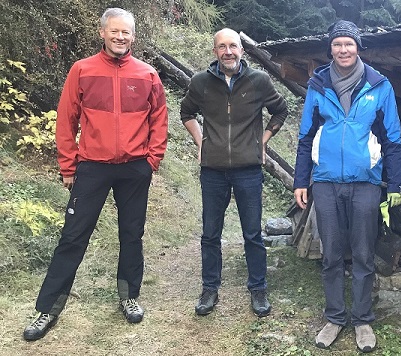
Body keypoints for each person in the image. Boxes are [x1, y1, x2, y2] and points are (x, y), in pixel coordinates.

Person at [22, 8, 168, 341]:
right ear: (102, 32)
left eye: (126, 33)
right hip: (92, 167)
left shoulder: (147, 75)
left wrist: (152, 161)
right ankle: (47, 309)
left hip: (134, 168)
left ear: (133, 36)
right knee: (72, 237)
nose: (120, 37)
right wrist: (69, 166)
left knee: (131, 235)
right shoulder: (82, 70)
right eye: (114, 31)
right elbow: (66, 119)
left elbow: (159, 120)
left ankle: (129, 297)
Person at [292, 20, 401, 353]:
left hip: (366, 183)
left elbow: (393, 139)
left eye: (349, 44)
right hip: (325, 182)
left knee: (362, 253)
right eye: (338, 44)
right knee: (330, 253)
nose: (343, 50)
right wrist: (302, 181)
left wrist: (396, 184)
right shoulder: (317, 84)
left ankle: (363, 320)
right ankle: (334, 317)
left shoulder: (379, 85)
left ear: (358, 48)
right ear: (330, 48)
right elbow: (305, 137)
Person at [180, 28, 288, 318]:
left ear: (242, 50)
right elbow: (186, 112)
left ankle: (258, 288)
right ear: (214, 51)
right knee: (210, 233)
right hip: (213, 171)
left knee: (252, 233)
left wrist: (261, 141)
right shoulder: (201, 82)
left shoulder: (259, 81)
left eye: (233, 46)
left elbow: (281, 110)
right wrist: (201, 141)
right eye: (222, 47)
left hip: (248, 170)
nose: (228, 51)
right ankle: (209, 288)